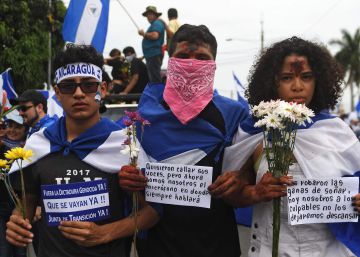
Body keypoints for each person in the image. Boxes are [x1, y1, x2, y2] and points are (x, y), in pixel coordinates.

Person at [5, 44, 159, 257]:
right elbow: (28, 201)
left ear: (102, 90)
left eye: (88, 85)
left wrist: (104, 233)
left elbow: (151, 212)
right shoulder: (38, 143)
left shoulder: (124, 143)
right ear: (57, 93)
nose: (78, 93)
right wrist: (18, 221)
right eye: (68, 86)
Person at [119, 24, 250, 257]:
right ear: (170, 60)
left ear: (213, 64)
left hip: (216, 243)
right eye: (182, 57)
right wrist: (129, 180)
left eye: (201, 57)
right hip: (157, 244)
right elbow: (131, 170)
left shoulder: (234, 114)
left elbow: (251, 168)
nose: (191, 64)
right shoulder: (142, 114)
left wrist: (241, 176)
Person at [222, 37, 360, 256]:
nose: (297, 87)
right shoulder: (255, 131)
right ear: (271, 82)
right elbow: (230, 195)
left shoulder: (337, 132)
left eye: (306, 77)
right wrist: (256, 192)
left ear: (318, 81)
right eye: (287, 78)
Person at [0, 112, 27, 257]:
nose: (12, 130)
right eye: (10, 126)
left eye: (18, 127)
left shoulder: (31, 150)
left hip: (22, 210)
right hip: (2, 211)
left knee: (21, 251)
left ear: (26, 130)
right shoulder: (2, 147)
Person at [138, 6, 165, 83]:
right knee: (153, 77)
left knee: (155, 78)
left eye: (150, 14)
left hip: (154, 55)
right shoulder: (154, 24)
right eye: (147, 15)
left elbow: (154, 36)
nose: (148, 16)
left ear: (155, 15)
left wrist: (143, 34)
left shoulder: (157, 23)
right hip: (151, 55)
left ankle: (157, 94)